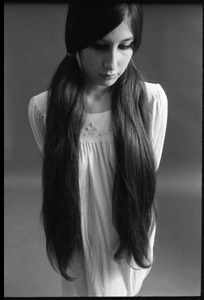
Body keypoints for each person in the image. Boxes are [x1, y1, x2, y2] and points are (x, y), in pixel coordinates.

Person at [28, 3, 168, 297]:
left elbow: (145, 181)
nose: (113, 63)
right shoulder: (45, 109)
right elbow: (61, 184)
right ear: (76, 42)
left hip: (124, 242)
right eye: (100, 46)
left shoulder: (151, 102)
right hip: (75, 243)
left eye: (125, 46)